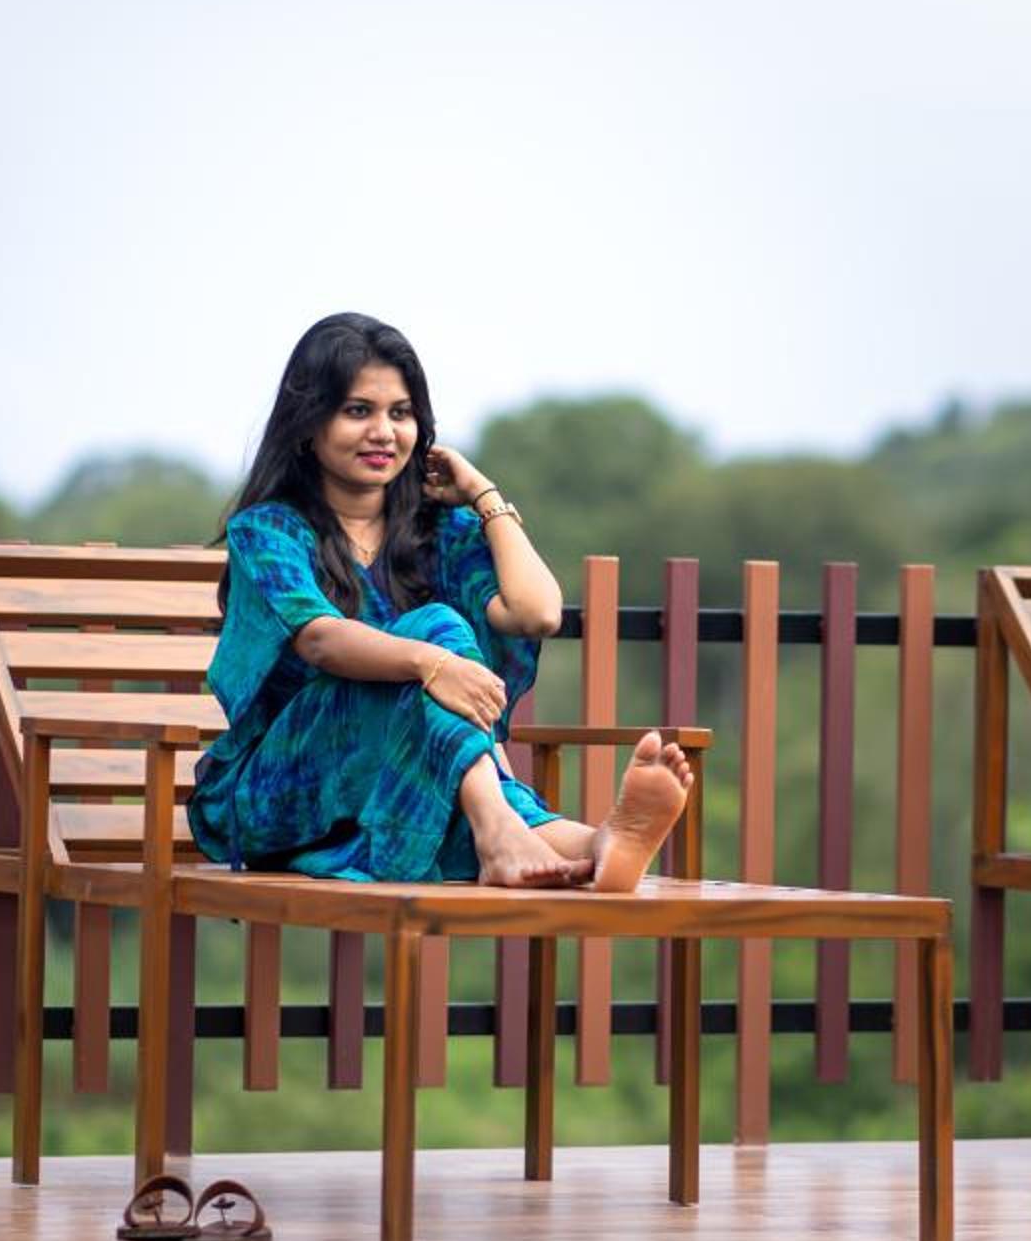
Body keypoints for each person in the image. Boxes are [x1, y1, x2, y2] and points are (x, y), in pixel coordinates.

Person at [188, 311, 692, 888]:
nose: (384, 432)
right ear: (308, 424)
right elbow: (321, 639)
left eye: (400, 413)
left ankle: (597, 845)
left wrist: (482, 493)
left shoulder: (434, 532)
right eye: (359, 411)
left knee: (441, 757)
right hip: (283, 791)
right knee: (436, 631)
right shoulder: (269, 532)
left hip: (398, 786)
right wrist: (432, 663)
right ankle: (501, 829)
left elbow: (537, 613)